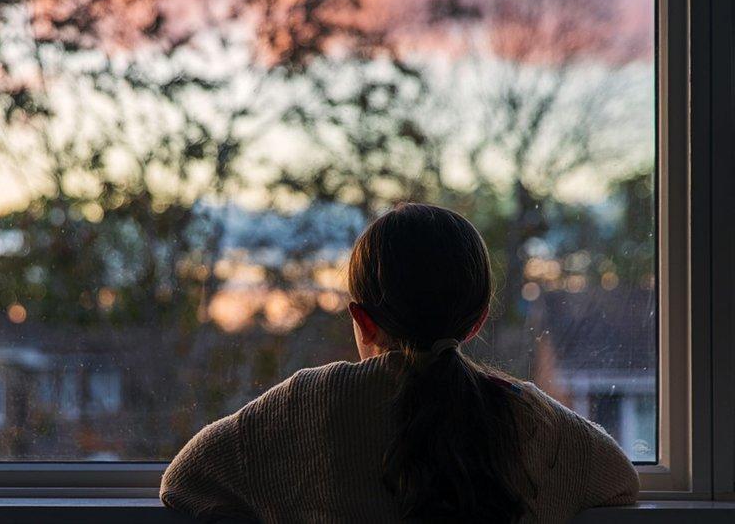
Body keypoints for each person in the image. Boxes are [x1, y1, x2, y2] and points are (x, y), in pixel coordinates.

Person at [160, 203, 639, 523]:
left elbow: (184, 481)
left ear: (361, 320)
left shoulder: (313, 402)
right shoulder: (524, 414)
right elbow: (619, 482)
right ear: (476, 323)